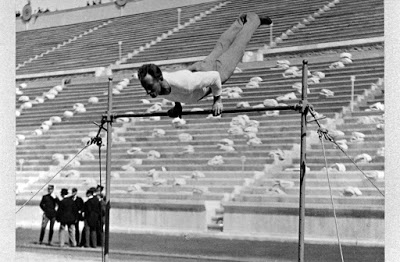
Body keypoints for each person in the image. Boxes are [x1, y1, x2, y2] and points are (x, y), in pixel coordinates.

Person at [137, 13, 272, 117]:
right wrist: (178, 106)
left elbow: (214, 77)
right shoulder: (159, 87)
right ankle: (242, 20)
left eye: (149, 87)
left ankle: (254, 19)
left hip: (213, 73)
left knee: (238, 47)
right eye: (145, 87)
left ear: (160, 79)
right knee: (221, 46)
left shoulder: (185, 83)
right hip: (198, 70)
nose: (148, 92)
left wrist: (217, 100)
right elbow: (172, 91)